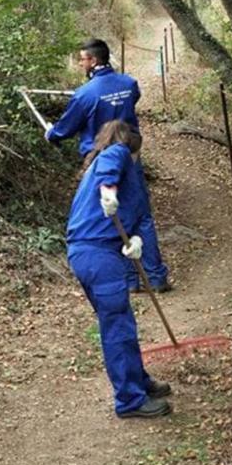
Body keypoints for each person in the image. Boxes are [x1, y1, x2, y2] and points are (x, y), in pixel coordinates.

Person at [46, 37, 171, 294]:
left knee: (113, 217)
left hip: (100, 161)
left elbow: (66, 128)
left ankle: (130, 281)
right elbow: (129, 99)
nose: (81, 63)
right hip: (130, 156)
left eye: (82, 59)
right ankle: (155, 277)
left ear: (92, 60)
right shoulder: (128, 84)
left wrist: (52, 134)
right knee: (141, 215)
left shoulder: (84, 95)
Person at [67, 120, 172, 418]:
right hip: (95, 253)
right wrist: (109, 190)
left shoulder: (129, 179)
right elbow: (109, 171)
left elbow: (135, 216)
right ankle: (129, 400)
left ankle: (138, 381)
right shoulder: (116, 154)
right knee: (118, 326)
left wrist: (135, 239)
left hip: (103, 252)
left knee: (123, 321)